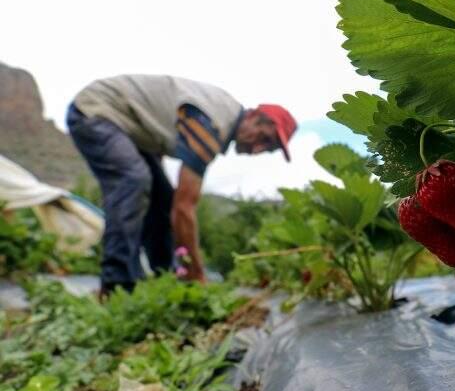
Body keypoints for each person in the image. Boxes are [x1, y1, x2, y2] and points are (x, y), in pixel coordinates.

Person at [66, 74, 297, 294]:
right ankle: (117, 285)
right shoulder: (212, 123)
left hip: (130, 128)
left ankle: (166, 281)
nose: (258, 150)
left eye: (269, 149)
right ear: (254, 116)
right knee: (133, 180)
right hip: (97, 110)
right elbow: (184, 210)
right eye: (264, 138)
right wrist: (197, 274)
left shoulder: (220, 117)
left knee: (162, 199)